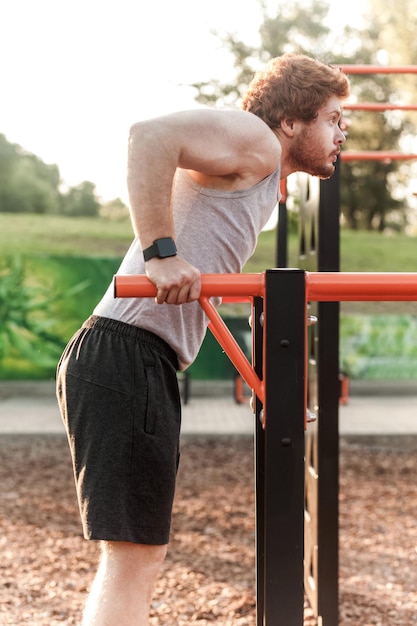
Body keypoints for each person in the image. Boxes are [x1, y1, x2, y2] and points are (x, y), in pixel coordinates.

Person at [56, 53, 350, 625]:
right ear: (291, 121)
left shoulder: (261, 172)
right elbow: (149, 136)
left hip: (132, 355)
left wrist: (267, 379)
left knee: (135, 557)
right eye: (334, 118)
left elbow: (204, 295)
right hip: (125, 353)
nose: (343, 134)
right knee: (133, 562)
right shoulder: (258, 141)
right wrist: (161, 253)